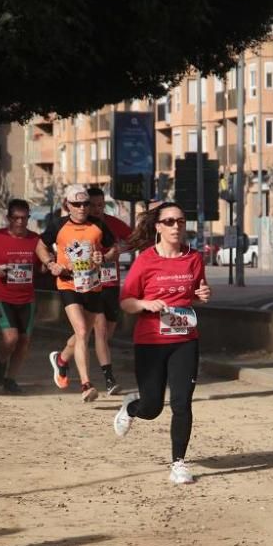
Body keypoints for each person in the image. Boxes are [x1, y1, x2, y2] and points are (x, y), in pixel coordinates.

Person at [112, 202, 211, 484]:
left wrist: (203, 295)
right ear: (158, 226)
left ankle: (179, 463)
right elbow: (127, 303)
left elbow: (195, 295)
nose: (176, 226)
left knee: (182, 402)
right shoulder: (145, 259)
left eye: (180, 221)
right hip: (151, 341)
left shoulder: (194, 258)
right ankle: (132, 407)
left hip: (185, 340)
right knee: (152, 407)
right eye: (169, 222)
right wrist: (146, 303)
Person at [36, 184, 118, 403]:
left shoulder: (98, 224)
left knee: (84, 333)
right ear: (67, 205)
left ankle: (62, 360)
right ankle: (86, 385)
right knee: (82, 331)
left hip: (92, 286)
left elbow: (113, 248)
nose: (82, 208)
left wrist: (106, 257)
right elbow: (40, 246)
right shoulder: (58, 225)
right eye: (77, 204)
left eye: (85, 204)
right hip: (68, 284)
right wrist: (50, 263)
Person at [51, 185, 131, 395]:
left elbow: (129, 241)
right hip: (87, 285)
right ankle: (107, 380)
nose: (94, 209)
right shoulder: (71, 226)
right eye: (89, 205)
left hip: (110, 284)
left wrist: (117, 251)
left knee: (100, 334)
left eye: (99, 205)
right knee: (94, 332)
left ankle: (62, 358)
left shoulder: (110, 225)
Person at [0, 199, 41, 393]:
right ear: (9, 218)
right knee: (11, 337)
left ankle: (10, 379)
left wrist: (50, 265)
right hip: (3, 296)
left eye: (25, 218)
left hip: (27, 298)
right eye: (16, 218)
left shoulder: (35, 239)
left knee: (24, 340)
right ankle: (2, 360)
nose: (21, 222)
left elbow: (43, 264)